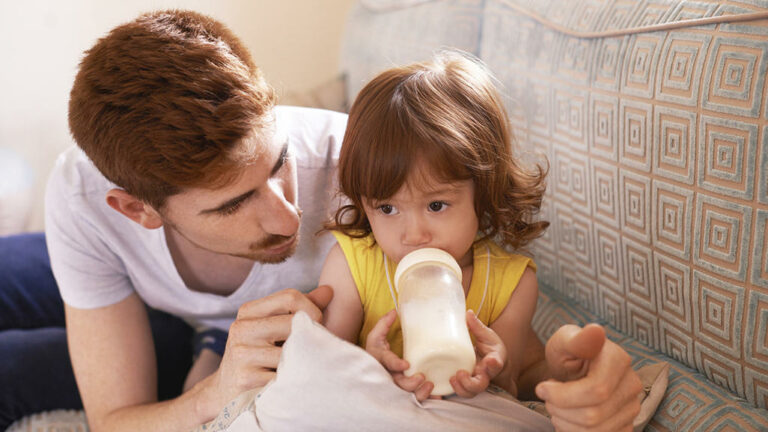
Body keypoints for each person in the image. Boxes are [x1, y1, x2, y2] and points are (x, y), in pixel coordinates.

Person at [0, 9, 642, 432]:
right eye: (232, 203)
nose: (288, 215)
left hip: (200, 337)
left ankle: (202, 334)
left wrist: (565, 378)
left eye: (277, 163)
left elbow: (495, 328)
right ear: (137, 210)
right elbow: (116, 419)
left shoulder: (374, 173)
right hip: (150, 304)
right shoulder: (86, 201)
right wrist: (215, 390)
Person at [320, 52, 547, 402]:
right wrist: (370, 365)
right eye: (388, 207)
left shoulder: (513, 284)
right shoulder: (352, 266)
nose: (413, 235)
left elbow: (509, 391)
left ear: (483, 191)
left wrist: (495, 371)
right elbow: (323, 371)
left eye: (436, 205)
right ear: (364, 202)